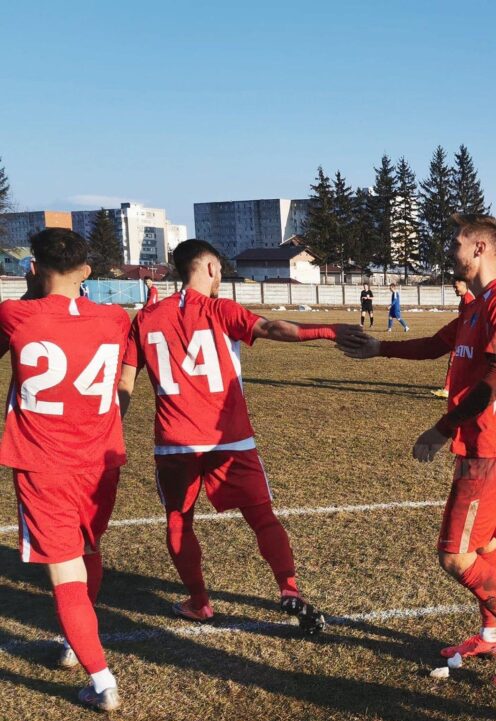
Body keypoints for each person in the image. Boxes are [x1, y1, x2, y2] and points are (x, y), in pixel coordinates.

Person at [339, 214, 496, 685]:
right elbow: (435, 345)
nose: (449, 248)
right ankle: (493, 632)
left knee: (455, 556)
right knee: (485, 545)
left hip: (493, 449)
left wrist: (439, 428)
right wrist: (379, 350)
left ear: (479, 248)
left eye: (456, 242)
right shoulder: (474, 306)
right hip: (478, 446)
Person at [117, 239, 360, 634]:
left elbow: (125, 384)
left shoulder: (146, 319)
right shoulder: (220, 309)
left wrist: (111, 431)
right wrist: (327, 330)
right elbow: (273, 328)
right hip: (229, 439)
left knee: (179, 521)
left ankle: (199, 603)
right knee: (262, 518)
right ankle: (289, 588)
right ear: (211, 268)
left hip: (175, 442)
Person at [0, 229, 130, 711]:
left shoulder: (15, 312)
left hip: (45, 463)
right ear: (88, 272)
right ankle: (77, 644)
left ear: (33, 268)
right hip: (101, 461)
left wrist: (32, 295)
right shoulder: (116, 317)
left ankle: (102, 682)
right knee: (87, 548)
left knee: (64, 569)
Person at [432, 277, 475, 398]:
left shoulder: (469, 300)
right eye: (453, 288)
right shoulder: (464, 299)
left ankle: (448, 389)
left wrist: (464, 336)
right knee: (455, 362)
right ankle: (450, 388)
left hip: (463, 337)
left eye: (456, 287)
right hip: (460, 336)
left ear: (464, 285)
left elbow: (469, 322)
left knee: (454, 362)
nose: (454, 290)